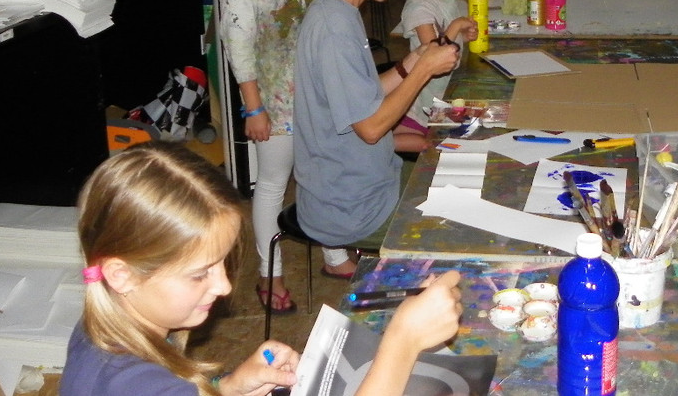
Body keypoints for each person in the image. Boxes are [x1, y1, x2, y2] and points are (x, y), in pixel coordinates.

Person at [60, 142, 464, 396]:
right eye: (200, 273)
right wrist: (403, 341)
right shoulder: (138, 385)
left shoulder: (102, 331)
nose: (223, 286)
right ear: (122, 275)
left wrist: (228, 388)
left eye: (223, 263)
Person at [218, 0, 354, 316]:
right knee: (274, 183)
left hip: (323, 96)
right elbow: (239, 44)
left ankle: (334, 252)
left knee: (326, 176)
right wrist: (253, 107)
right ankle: (269, 273)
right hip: (275, 100)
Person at [293, 0, 461, 256]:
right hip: (351, 210)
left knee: (460, 183)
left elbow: (362, 96)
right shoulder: (335, 28)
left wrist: (410, 63)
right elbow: (370, 128)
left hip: (369, 186)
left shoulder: (339, 10)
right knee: (461, 227)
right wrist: (423, 71)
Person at [395, 0, 477, 151]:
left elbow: (448, 37)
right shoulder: (419, 6)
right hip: (426, 90)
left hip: (444, 86)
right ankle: (379, 144)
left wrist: (463, 35)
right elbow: (434, 53)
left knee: (444, 135)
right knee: (429, 142)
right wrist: (455, 26)